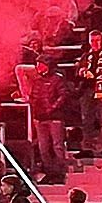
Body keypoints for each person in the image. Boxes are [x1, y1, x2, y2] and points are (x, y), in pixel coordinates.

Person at [27, 54, 72, 183]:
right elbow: (33, 97)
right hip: (40, 118)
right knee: (43, 148)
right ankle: (49, 172)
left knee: (57, 146)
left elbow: (63, 95)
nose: (38, 67)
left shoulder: (57, 79)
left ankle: (60, 173)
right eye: (37, 65)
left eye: (40, 64)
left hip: (54, 118)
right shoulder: (37, 81)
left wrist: (52, 108)